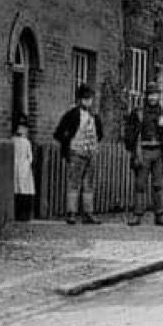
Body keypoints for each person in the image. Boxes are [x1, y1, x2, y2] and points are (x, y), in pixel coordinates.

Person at [124, 81, 163, 227]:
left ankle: (160, 214)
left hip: (159, 152)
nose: (153, 98)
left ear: (158, 96)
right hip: (144, 152)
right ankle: (137, 214)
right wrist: (133, 149)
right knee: (140, 184)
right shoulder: (138, 112)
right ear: (146, 96)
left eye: (155, 95)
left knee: (158, 185)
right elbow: (128, 132)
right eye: (150, 95)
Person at [52, 83, 104, 225]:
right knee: (74, 183)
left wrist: (92, 146)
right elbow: (59, 133)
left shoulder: (95, 116)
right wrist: (69, 143)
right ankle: (71, 213)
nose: (88, 101)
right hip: (76, 153)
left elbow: (100, 134)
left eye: (90, 99)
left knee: (89, 184)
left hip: (91, 154)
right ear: (79, 100)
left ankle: (88, 213)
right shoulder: (72, 114)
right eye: (85, 99)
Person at [12, 116, 35, 222]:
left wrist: (26, 164)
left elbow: (30, 157)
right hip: (18, 167)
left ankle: (23, 214)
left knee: (23, 189)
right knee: (18, 188)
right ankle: (20, 214)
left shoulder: (25, 142)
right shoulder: (15, 141)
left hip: (22, 167)